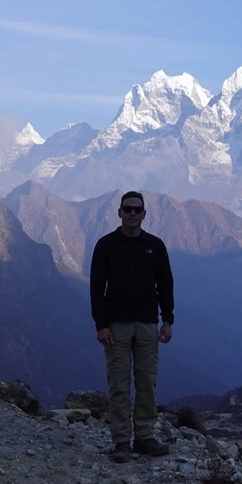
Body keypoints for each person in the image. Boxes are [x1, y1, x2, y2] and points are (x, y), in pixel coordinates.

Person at [90, 190, 175, 463]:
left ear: (144, 214)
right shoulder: (105, 245)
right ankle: (121, 441)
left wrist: (168, 320)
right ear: (119, 212)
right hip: (116, 326)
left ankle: (145, 437)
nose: (132, 214)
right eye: (127, 209)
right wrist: (101, 324)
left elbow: (166, 285)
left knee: (147, 382)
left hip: (149, 324)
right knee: (119, 384)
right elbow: (96, 289)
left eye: (137, 210)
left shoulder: (156, 246)